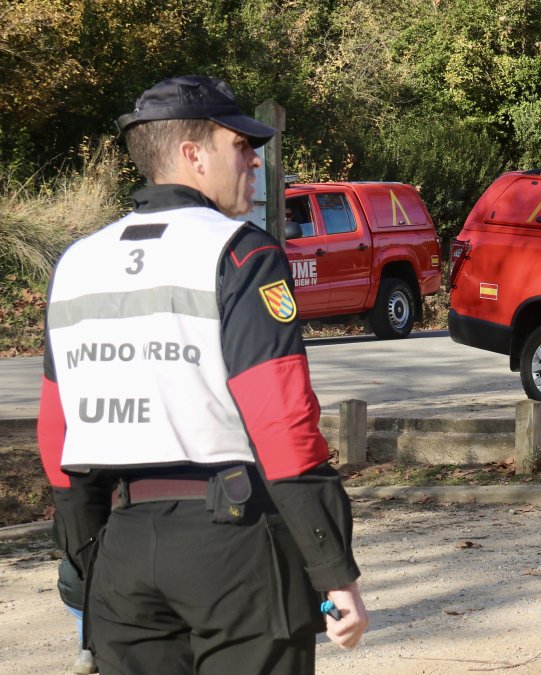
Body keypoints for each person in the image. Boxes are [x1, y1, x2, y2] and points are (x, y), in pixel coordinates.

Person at [37, 75, 368, 674]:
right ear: (193, 155)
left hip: (123, 549)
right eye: (239, 145)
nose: (254, 159)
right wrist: (333, 570)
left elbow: (56, 434)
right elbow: (282, 423)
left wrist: (86, 559)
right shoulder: (242, 252)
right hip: (234, 546)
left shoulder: (77, 263)